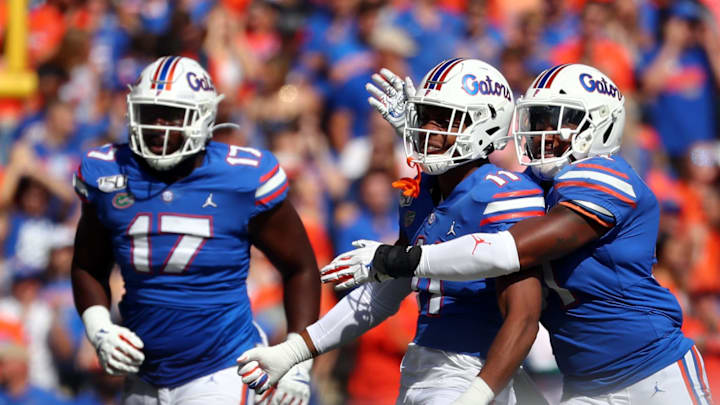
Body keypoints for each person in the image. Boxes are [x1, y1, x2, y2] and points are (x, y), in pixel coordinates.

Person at [325, 64, 713, 405]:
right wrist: (435, 139)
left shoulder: (606, 174)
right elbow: (462, 195)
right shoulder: (530, 185)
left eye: (556, 120)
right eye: (537, 119)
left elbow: (505, 251)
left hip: (653, 371)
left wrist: (398, 259)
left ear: (601, 124)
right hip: (583, 384)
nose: (542, 132)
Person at [237, 58, 546, 405]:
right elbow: (383, 292)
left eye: (444, 119)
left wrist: (475, 394)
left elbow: (524, 317)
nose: (427, 128)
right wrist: (296, 350)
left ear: (485, 127)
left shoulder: (503, 193)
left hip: (475, 369)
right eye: (425, 114)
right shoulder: (422, 194)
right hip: (422, 364)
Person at [70, 56, 321, 405]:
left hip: (225, 367)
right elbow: (86, 265)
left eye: (172, 114)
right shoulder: (108, 173)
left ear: (203, 118)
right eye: (149, 113)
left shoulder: (242, 179)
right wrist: (99, 329)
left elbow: (301, 267)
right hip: (145, 374)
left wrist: (297, 357)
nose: (159, 127)